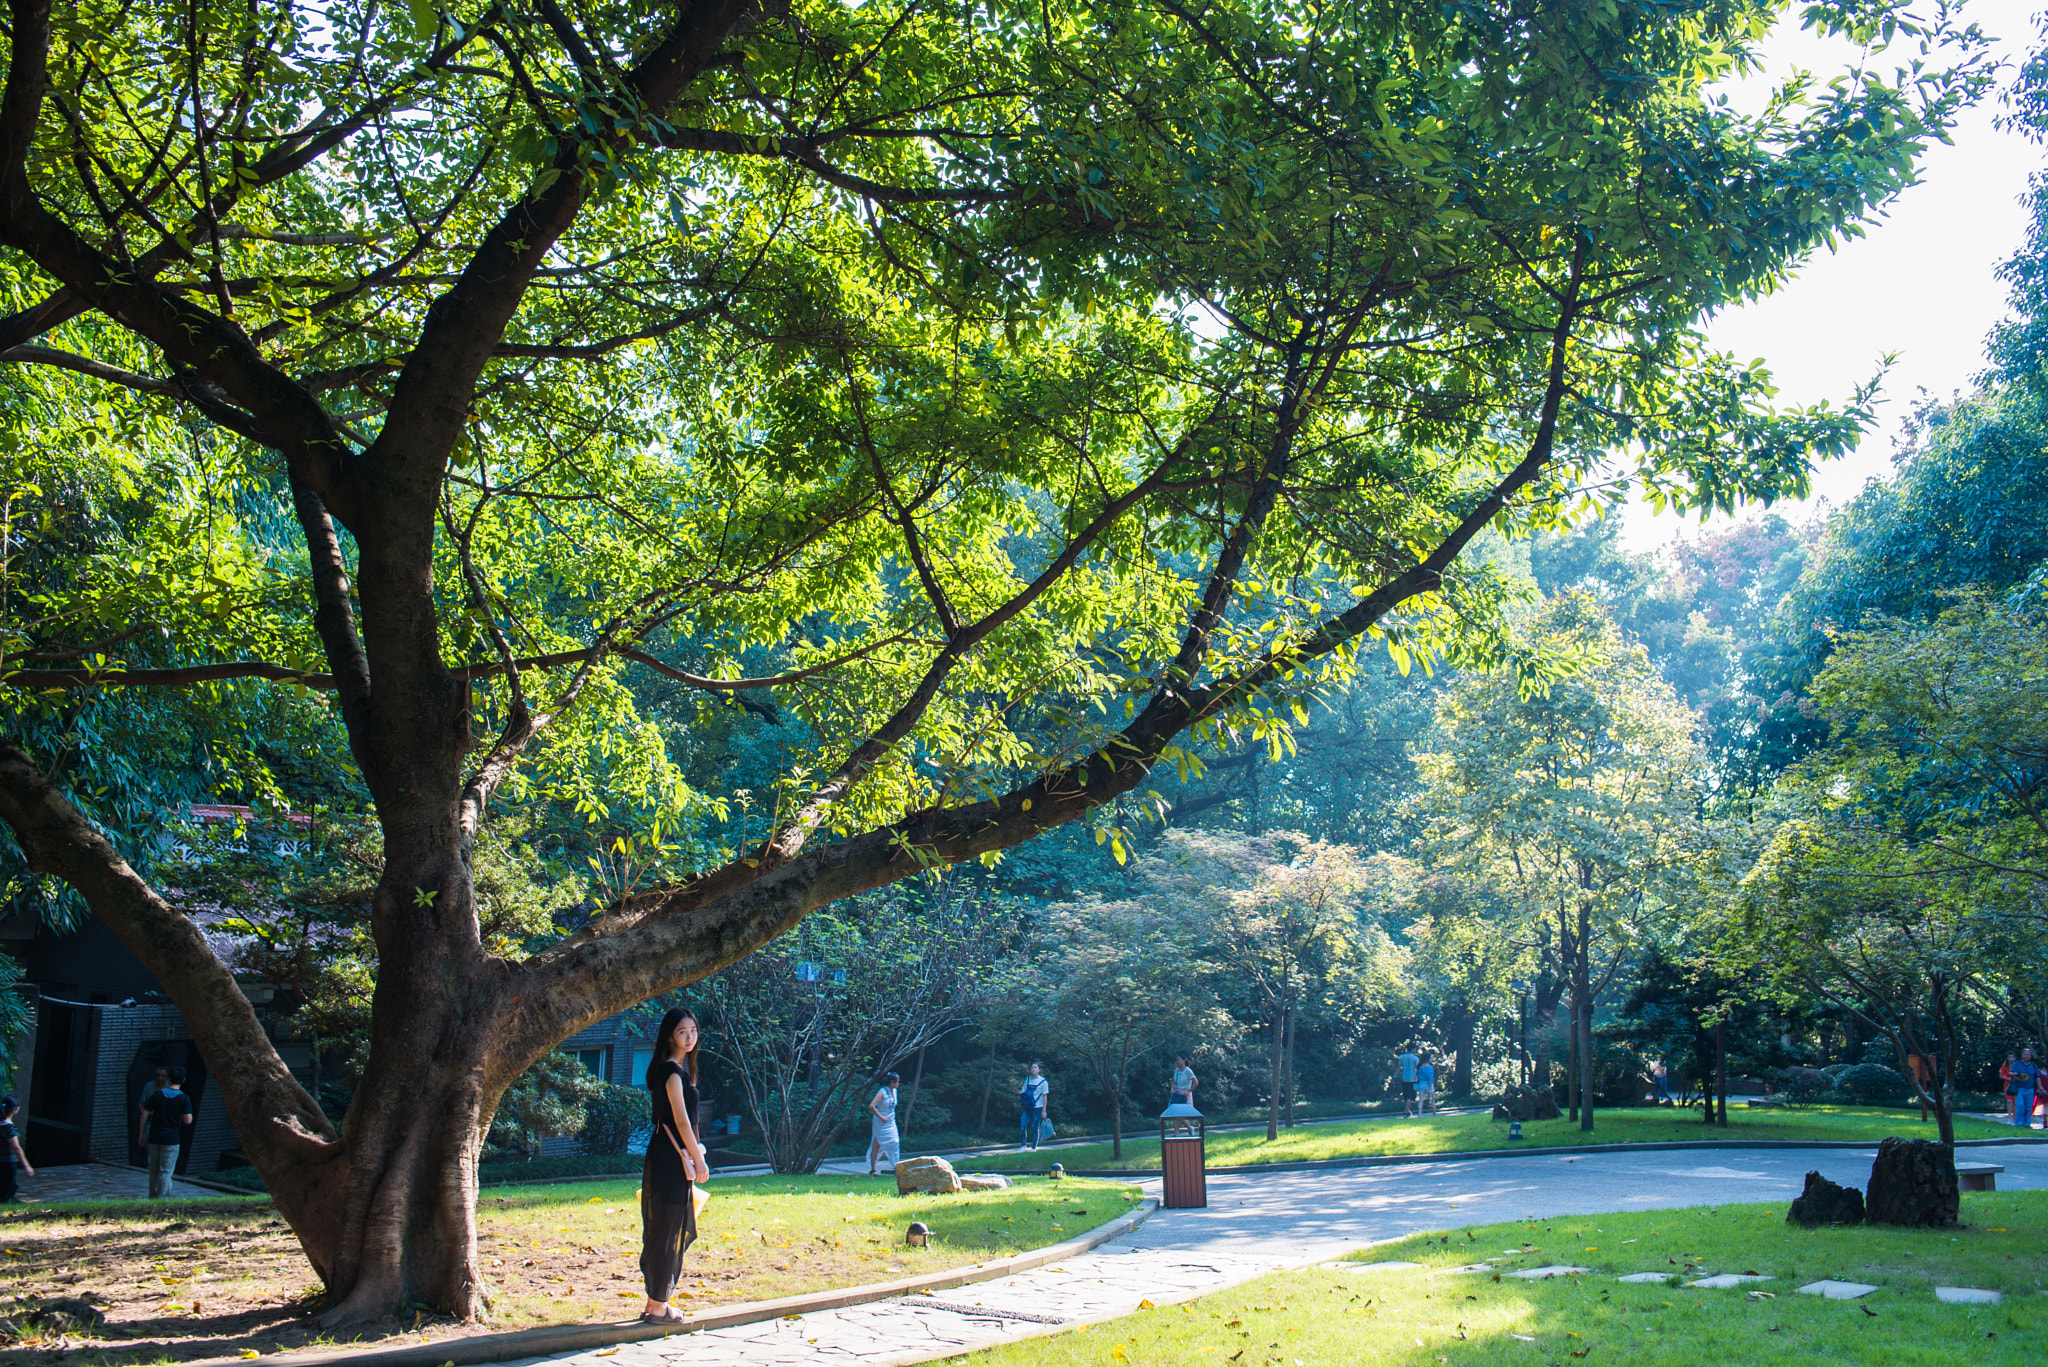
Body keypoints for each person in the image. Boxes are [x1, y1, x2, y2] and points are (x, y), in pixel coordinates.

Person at [640, 1007, 710, 1324]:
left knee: (664, 1228)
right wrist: (700, 1160)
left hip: (664, 1154)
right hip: (671, 1159)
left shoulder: (668, 1069)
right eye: (683, 1031)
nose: (689, 1037)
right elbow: (681, 1122)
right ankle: (657, 1305)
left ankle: (657, 1300)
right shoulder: (671, 1073)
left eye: (693, 1030)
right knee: (667, 1229)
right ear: (670, 1035)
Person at [139, 1065, 193, 1198]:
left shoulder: (158, 1095)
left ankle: (152, 1196)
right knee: (165, 1171)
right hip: (171, 1139)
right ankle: (161, 1200)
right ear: (183, 1080)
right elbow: (188, 1120)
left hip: (154, 1136)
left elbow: (144, 1114)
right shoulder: (184, 1098)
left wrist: (141, 1133)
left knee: (153, 1170)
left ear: (168, 1079)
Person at [867, 1072, 902, 1176]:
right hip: (880, 1122)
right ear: (891, 1082)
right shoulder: (882, 1092)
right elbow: (872, 1106)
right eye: (897, 1081)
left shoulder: (894, 1091)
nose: (898, 1083)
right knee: (876, 1144)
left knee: (895, 1142)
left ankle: (896, 1165)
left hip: (891, 1121)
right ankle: (873, 1169)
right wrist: (881, 1117)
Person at [0, 1096, 32, 1202]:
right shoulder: (8, 1127)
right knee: (7, 1189)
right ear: (14, 1109)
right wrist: (26, 1166)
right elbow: (16, 1148)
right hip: (7, 1162)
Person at [137, 1065, 168, 1155]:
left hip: (164, 1120)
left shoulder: (168, 1087)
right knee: (150, 1145)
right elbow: (141, 1102)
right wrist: (144, 1113)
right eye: (158, 1075)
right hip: (151, 1119)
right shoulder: (149, 1086)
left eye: (163, 1076)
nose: (160, 1078)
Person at [1019, 1063, 1051, 1150]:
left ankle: (1033, 1147)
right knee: (1022, 1125)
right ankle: (1023, 1145)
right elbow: (1024, 1089)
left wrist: (1044, 1110)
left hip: (1037, 1108)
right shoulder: (1028, 1079)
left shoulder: (1043, 1082)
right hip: (1026, 1106)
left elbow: (1045, 1096)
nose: (1033, 1069)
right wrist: (1019, 1092)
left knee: (1034, 1127)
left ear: (1039, 1070)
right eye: (1032, 1067)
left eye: (1035, 1067)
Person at [2011, 1048, 2040, 1130]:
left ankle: (2027, 1123)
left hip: (2030, 1089)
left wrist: (2040, 1088)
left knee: (2028, 1107)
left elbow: (2037, 1077)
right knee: (2020, 1105)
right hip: (2019, 1088)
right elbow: (2010, 1072)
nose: (2027, 1056)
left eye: (2029, 1054)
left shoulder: (2034, 1066)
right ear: (2022, 1055)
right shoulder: (2017, 1064)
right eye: (2025, 1054)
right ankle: (2018, 1123)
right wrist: (2014, 1074)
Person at [1396, 1046, 1420, 1118]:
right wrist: (1418, 1078)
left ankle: (1407, 1110)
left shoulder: (1402, 1057)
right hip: (1412, 1079)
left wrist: (1395, 1076)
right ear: (1413, 1049)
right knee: (1410, 1096)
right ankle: (1406, 1112)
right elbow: (1418, 1068)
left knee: (1405, 1096)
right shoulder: (1415, 1058)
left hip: (1404, 1079)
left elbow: (1398, 1067)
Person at [2001, 1053, 2017, 1120]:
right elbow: (2001, 1076)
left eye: (2012, 1057)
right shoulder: (2005, 1066)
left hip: (2015, 1085)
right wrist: (2007, 1078)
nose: (2011, 1059)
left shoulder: (2017, 1066)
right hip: (2007, 1085)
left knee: (2014, 1101)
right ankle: (2010, 1116)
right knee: (2009, 1100)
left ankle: (2014, 1117)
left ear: (2015, 1058)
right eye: (2009, 1057)